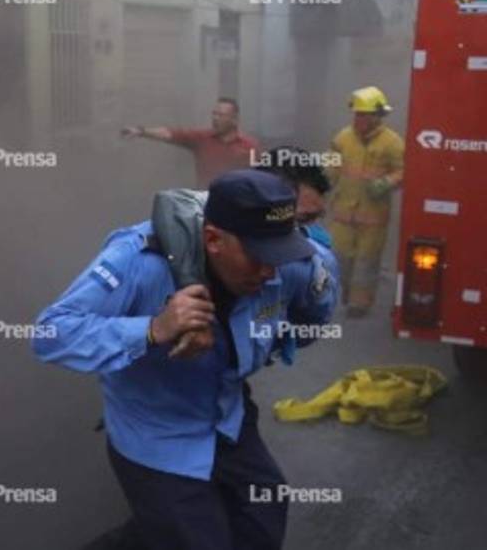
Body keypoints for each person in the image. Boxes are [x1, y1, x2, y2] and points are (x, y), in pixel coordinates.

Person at [34, 169, 338, 550]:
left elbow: (317, 301)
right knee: (197, 538)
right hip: (156, 434)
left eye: (280, 253)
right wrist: (151, 329)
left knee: (262, 521)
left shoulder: (292, 262)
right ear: (213, 239)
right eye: (259, 256)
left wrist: (285, 335)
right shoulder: (138, 259)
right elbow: (50, 333)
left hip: (228, 419)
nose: (270, 271)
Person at [327, 87, 404, 318]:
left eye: (364, 114)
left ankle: (359, 305)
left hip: (373, 218)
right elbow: (332, 166)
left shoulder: (392, 143)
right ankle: (337, 298)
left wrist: (387, 182)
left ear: (377, 116)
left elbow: (404, 170)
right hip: (342, 214)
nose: (359, 119)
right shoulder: (343, 137)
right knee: (338, 258)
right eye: (357, 114)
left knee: (366, 262)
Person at [122, 97, 259, 187]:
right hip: (204, 203)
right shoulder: (201, 139)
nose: (215, 118)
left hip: (236, 205)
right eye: (214, 114)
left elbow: (260, 179)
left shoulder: (250, 147)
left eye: (220, 115)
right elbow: (170, 134)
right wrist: (141, 131)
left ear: (234, 119)